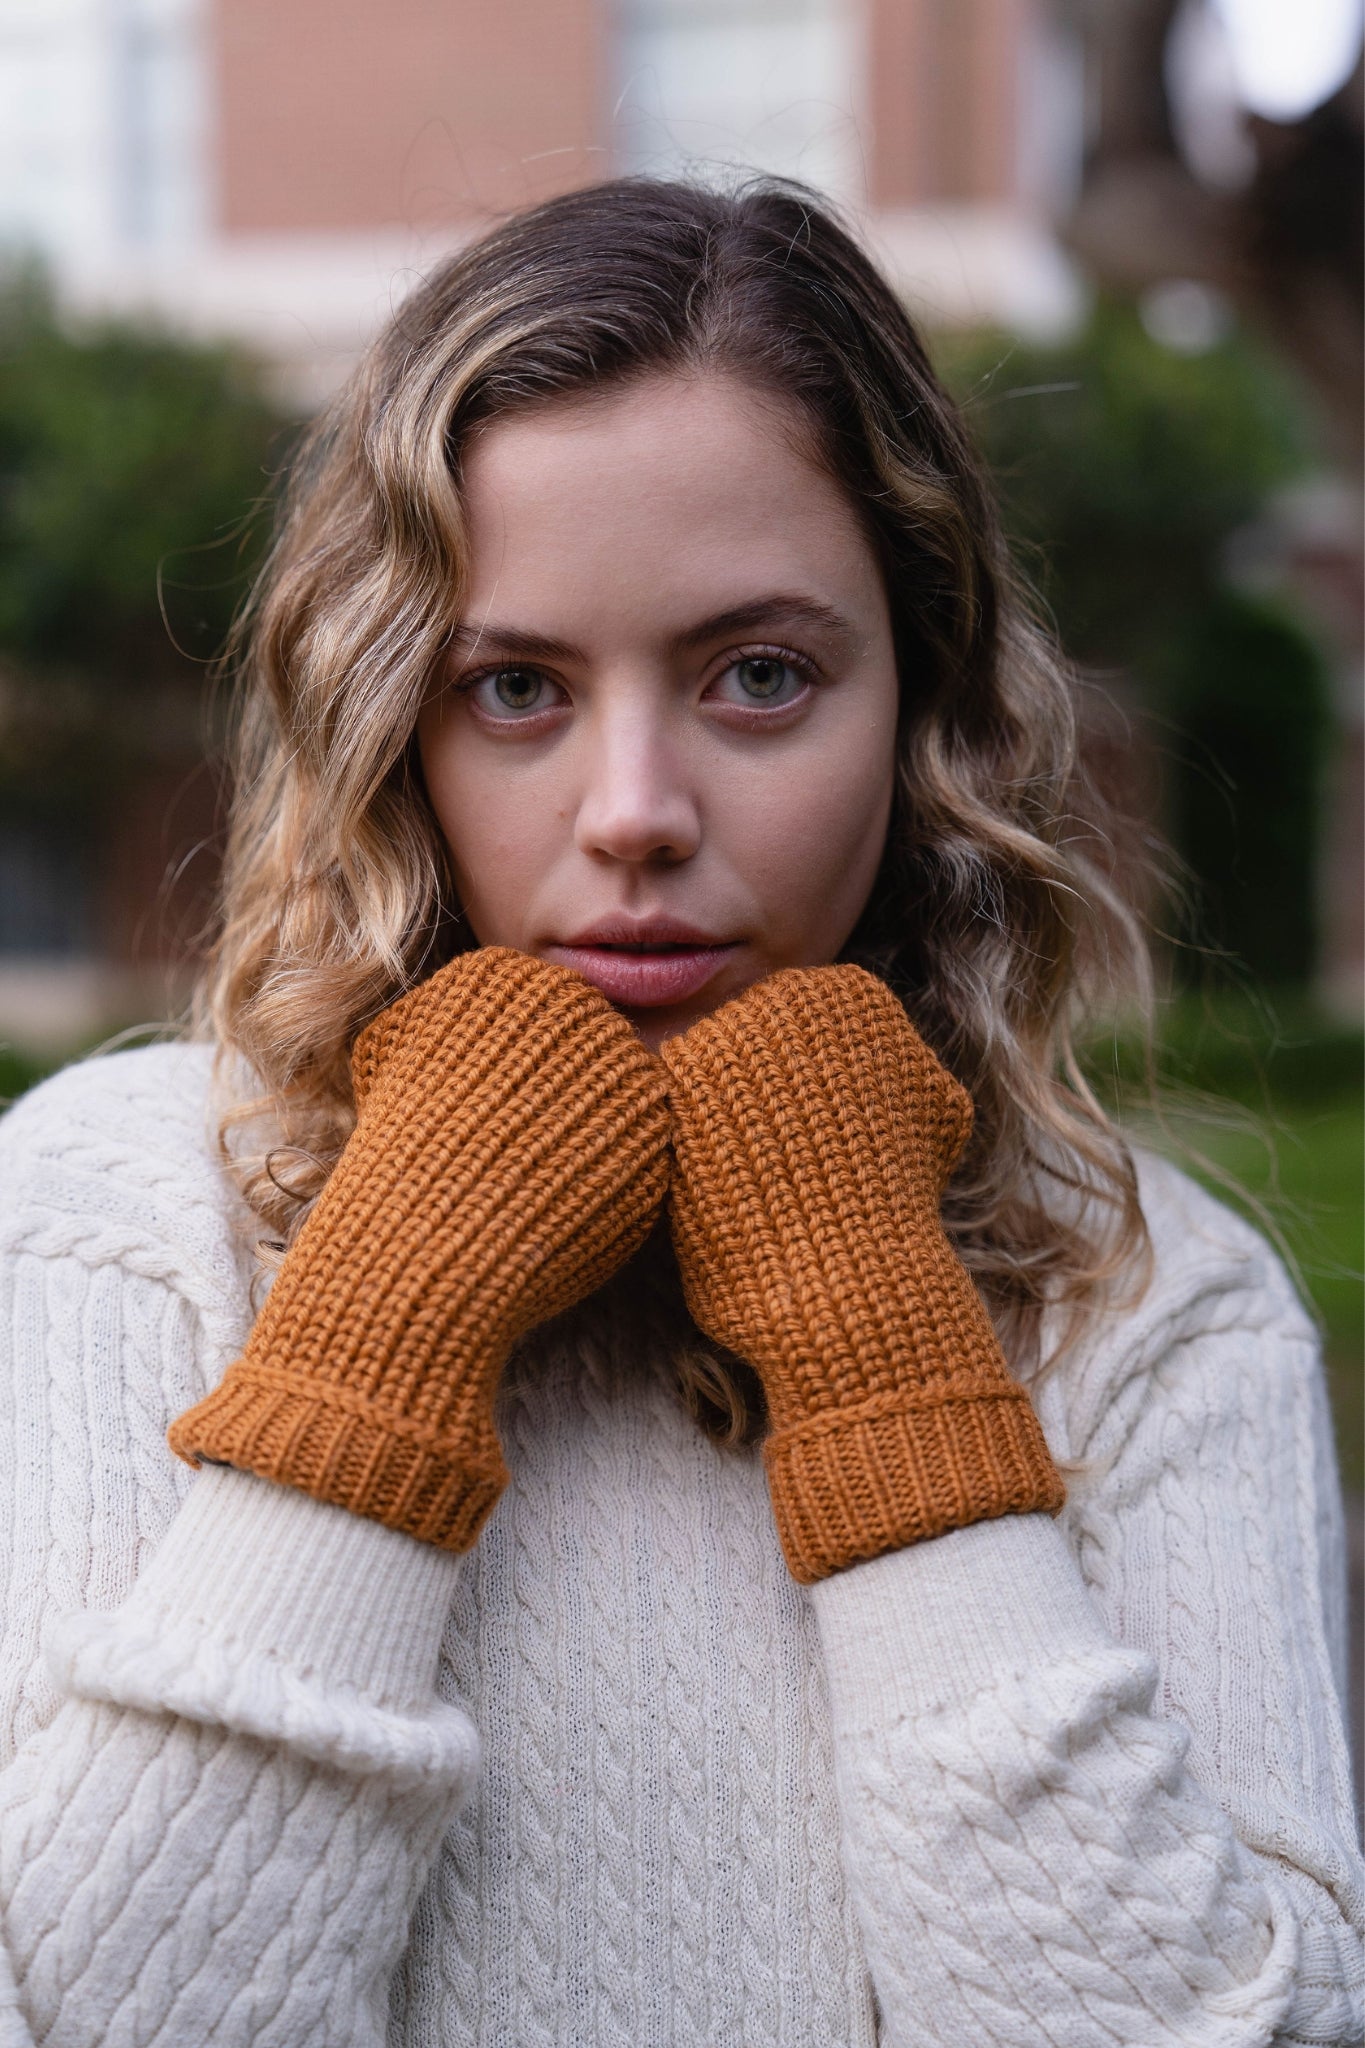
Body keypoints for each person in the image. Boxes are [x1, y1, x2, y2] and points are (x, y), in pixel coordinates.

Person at [0, 177, 1359, 2048]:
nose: (634, 808)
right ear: (392, 714)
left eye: (759, 677)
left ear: (922, 703)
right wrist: (383, 1326)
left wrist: (882, 1347)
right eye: (514, 689)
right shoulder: (109, 1214)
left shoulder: (1146, 1307)